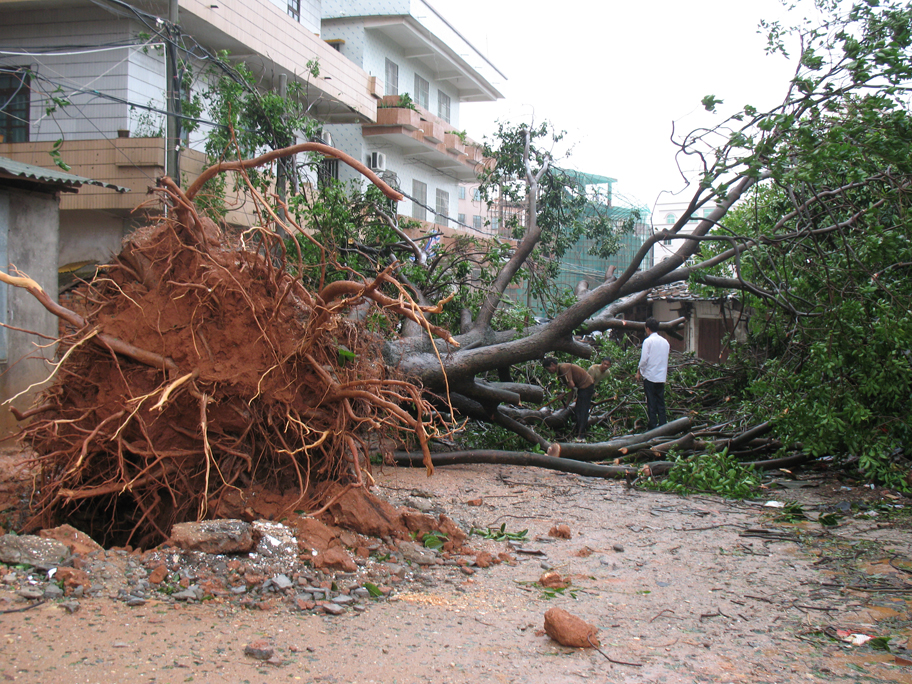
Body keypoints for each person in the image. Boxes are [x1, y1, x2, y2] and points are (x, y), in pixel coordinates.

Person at [542, 357, 595, 441]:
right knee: (578, 410)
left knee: (582, 411)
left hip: (586, 386)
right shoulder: (560, 371)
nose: (549, 372)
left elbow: (571, 385)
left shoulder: (563, 368)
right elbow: (571, 389)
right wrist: (566, 404)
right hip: (582, 388)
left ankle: (581, 436)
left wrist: (563, 394)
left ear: (552, 364)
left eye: (549, 369)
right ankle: (578, 433)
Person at [635, 318, 670, 430]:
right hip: (661, 376)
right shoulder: (665, 342)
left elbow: (644, 359)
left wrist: (639, 371)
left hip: (650, 376)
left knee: (651, 402)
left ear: (647, 328)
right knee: (660, 402)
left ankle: (653, 426)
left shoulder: (648, 341)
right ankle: (663, 424)